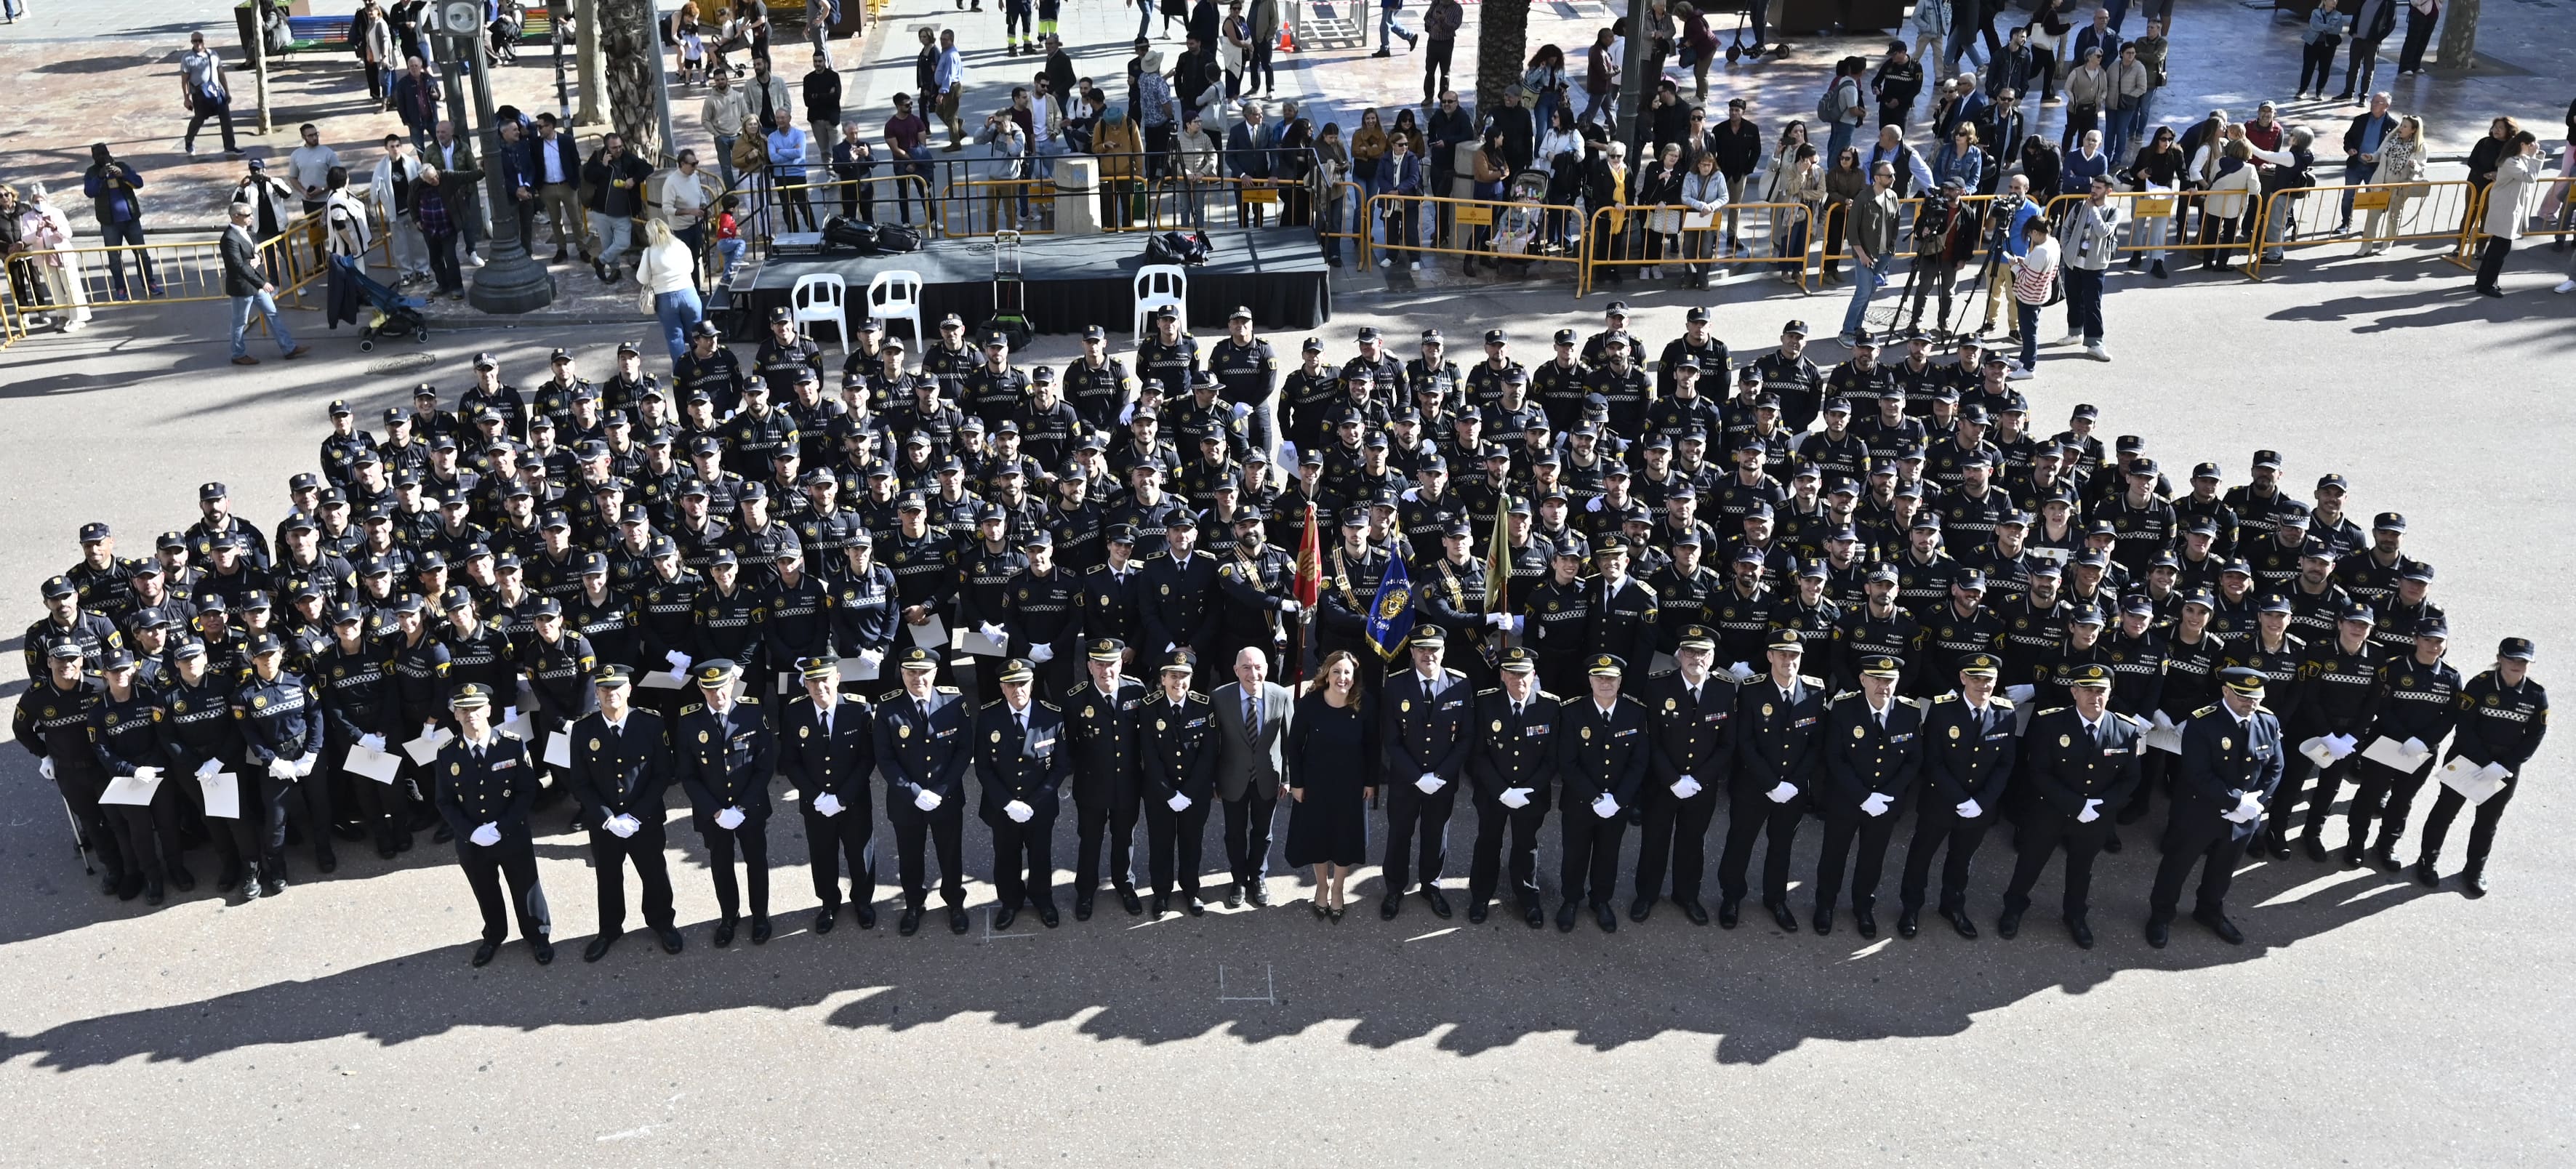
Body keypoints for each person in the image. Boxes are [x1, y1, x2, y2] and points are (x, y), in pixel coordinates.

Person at [1997, 663, 2140, 949]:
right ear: (2074, 691)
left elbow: (2131, 778)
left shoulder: (2126, 729)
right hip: (2050, 811)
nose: (2094, 696)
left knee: (2081, 869)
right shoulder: (2051, 723)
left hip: (2095, 816)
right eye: (2087, 689)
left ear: (2110, 694)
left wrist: (2101, 805)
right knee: (2030, 862)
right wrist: (2076, 805)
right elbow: (2039, 772)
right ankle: (2013, 908)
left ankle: (2075, 915)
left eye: (2100, 690)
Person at [2145, 666, 2283, 947]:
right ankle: (2161, 915)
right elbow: (2197, 773)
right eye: (2243, 696)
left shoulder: (2267, 721)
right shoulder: (2202, 721)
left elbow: (2275, 767)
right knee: (2176, 866)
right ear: (2225, 691)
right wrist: (2236, 802)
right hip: (2200, 812)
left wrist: (2254, 803)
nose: (2251, 703)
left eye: (2256, 697)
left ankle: (2209, 911)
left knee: (2223, 869)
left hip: (2244, 815)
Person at [568, 664, 686, 960]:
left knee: (654, 873)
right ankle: (609, 929)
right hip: (605, 824)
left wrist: (636, 816)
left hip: (644, 819)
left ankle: (663, 922)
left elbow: (663, 774)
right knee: (608, 877)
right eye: (605, 689)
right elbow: (580, 782)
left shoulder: (651, 723)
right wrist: (607, 818)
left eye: (617, 688)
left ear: (629, 690)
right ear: (597, 693)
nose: (611, 693)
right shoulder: (583, 729)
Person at [2412, 638, 2547, 896]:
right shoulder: (2480, 684)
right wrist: (2485, 763)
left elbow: (2535, 736)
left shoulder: (2536, 694)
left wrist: (2505, 765)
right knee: (2444, 812)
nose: (2517, 665)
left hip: (2504, 768)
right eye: (2512, 659)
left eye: (2523, 661)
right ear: (2499, 658)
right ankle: (2427, 860)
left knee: (2487, 822)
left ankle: (2474, 870)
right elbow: (2464, 726)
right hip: (2467, 759)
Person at [435, 682, 555, 966]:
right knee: (485, 889)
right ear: (456, 715)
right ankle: (494, 934)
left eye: (476, 708)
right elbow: (444, 801)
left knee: (526, 887)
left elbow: (527, 791)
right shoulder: (447, 753)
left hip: (511, 834)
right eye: (464, 710)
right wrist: (472, 832)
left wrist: (501, 827)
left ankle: (538, 935)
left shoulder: (512, 744)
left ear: (489, 710)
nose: (471, 715)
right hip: (473, 840)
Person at [1901, 653, 2016, 939]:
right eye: (1976, 678)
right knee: (1921, 856)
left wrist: (1981, 802)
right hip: (1940, 801)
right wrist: (1961, 799)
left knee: (1961, 860)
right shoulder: (1942, 711)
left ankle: (1952, 906)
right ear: (1963, 678)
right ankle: (1911, 908)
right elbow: (1932, 762)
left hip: (1979, 807)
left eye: (1988, 679)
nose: (1982, 684)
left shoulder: (2005, 714)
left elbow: (2005, 765)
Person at [1629, 624, 1731, 925]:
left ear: (1712, 657)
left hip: (1702, 785)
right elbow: (1650, 740)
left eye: (1703, 653)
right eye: (1689, 651)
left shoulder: (1725, 690)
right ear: (1679, 654)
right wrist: (1673, 779)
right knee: (1654, 840)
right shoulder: (1657, 686)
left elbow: (1727, 744)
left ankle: (1687, 895)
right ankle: (1646, 895)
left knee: (1692, 842)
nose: (1695, 658)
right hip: (1663, 783)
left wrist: (1699, 779)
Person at [677, 656, 779, 946]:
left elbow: (764, 766)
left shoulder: (752, 712)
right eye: (710, 689)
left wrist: (742, 807)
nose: (717, 694)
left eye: (722, 687)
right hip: (713, 813)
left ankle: (760, 915)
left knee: (756, 861)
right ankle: (729, 916)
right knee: (721, 865)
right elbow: (688, 775)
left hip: (750, 808)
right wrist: (717, 812)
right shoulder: (689, 721)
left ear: (732, 683)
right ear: (701, 688)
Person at [876, 645, 974, 935]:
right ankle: (913, 904)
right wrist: (914, 792)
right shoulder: (888, 707)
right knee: (910, 856)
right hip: (906, 801)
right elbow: (885, 759)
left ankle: (955, 903)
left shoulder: (954, 702)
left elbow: (964, 750)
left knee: (950, 854)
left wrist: (941, 790)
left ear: (935, 672)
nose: (918, 678)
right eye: (911, 672)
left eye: (924, 672)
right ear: (902, 673)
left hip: (946, 797)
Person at [1552, 651, 1649, 933]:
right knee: (1575, 854)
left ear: (1620, 682)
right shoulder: (1572, 711)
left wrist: (1619, 800)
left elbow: (1639, 762)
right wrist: (1595, 797)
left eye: (1611, 678)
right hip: (1580, 802)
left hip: (1617, 803)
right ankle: (1570, 900)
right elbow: (1567, 763)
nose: (1605, 683)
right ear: (1590, 680)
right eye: (1599, 678)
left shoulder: (1635, 712)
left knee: (1608, 855)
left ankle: (1601, 901)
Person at [975, 657, 1070, 928]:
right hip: (1002, 807)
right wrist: (1008, 804)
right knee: (1006, 856)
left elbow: (1060, 766)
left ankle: (1043, 899)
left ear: (1032, 684)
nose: (1017, 690)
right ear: (1002, 687)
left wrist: (1033, 803)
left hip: (1039, 806)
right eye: (1011, 685)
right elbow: (982, 767)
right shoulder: (989, 717)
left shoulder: (1051, 715)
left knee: (1040, 856)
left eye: (1023, 683)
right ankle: (1010, 901)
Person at [1284, 650, 1377, 920]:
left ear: (1354, 677)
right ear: (1326, 674)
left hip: (1351, 784)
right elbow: (1294, 745)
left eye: (1347, 672)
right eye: (1336, 671)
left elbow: (1373, 746)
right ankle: (1322, 887)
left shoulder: (1365, 703)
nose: (1342, 677)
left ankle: (1338, 889)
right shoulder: (1310, 703)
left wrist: (1371, 782)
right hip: (1315, 783)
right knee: (1318, 837)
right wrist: (1296, 783)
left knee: (1344, 838)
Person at [1065, 635, 1151, 919]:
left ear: (1121, 664)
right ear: (1089, 666)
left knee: (1124, 837)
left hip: (1127, 783)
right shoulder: (1076, 698)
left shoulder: (1136, 691)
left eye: (1111, 664)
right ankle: (1085, 891)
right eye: (1099, 665)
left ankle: (1124, 884)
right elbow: (1069, 747)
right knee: (1090, 839)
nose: (1106, 671)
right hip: (1091, 785)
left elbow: (1146, 738)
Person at [1211, 646, 1292, 908]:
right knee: (1234, 833)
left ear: (1267, 669)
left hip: (1268, 777)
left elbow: (1290, 741)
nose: (1253, 673)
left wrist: (1288, 778)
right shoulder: (1219, 697)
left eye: (1258, 667)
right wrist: (1213, 780)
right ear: (1236, 670)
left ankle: (1258, 877)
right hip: (1232, 778)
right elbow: (1212, 744)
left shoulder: (1281, 696)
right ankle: (1238, 879)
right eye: (1246, 668)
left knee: (1263, 832)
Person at [220, 201, 308, 366]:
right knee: (240, 322)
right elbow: (238, 266)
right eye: (248, 215)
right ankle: (238, 354)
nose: (252, 217)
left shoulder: (245, 232)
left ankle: (289, 348)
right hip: (242, 287)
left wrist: (259, 259)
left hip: (254, 284)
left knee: (273, 314)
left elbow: (253, 254)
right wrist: (262, 283)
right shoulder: (229, 238)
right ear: (236, 217)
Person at [81, 143, 161, 300]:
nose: (102, 157)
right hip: (109, 223)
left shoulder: (122, 166)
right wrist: (100, 177)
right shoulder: (91, 172)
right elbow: (89, 192)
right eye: (98, 154)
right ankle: (121, 288)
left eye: (104, 153)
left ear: (109, 153)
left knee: (142, 254)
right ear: (93, 157)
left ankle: (149, 282)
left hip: (131, 220)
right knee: (114, 258)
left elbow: (139, 183)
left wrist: (123, 175)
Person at [2473, 130, 2543, 298]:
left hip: (2508, 208)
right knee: (2500, 250)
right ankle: (2486, 285)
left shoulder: (2519, 159)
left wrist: (2535, 155)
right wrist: (2534, 156)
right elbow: (2530, 177)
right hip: (2504, 210)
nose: (2534, 147)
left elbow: (2530, 171)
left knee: (2496, 247)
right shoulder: (2511, 162)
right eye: (2532, 144)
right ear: (2523, 144)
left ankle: (2483, 280)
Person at [1837, 161, 1900, 345]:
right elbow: (1852, 231)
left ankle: (1857, 326)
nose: (1893, 178)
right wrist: (1862, 255)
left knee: (1870, 290)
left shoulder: (1893, 197)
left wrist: (1891, 248)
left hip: (1884, 254)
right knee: (1863, 293)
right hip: (1865, 255)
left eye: (1894, 175)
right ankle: (1847, 331)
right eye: (1889, 176)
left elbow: (1896, 223)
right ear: (1877, 178)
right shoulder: (1863, 199)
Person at [2060, 175, 2118, 361]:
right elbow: (2066, 228)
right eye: (2093, 186)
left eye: (2099, 188)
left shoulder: (2113, 212)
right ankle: (2074, 332)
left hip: (2095, 265)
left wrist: (2093, 210)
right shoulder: (2079, 206)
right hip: (2074, 262)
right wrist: (2067, 249)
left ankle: (2095, 343)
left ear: (2109, 191)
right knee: (2073, 299)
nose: (2094, 190)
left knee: (2093, 304)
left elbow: (2102, 232)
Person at [634, 219, 703, 364]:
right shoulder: (680, 245)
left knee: (674, 336)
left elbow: (641, 278)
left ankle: (680, 370)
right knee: (696, 333)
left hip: (665, 299)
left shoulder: (648, 253)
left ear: (650, 234)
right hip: (688, 293)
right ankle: (701, 366)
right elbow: (691, 268)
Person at [2359, 113, 2427, 255]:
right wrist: (2371, 157)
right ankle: (2366, 246)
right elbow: (2379, 154)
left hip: (2399, 188)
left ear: (2413, 130)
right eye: (2401, 125)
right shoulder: (2391, 139)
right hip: (2381, 183)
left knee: (2393, 216)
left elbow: (2421, 168)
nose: (2401, 128)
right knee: (2372, 215)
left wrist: (2415, 166)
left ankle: (2387, 245)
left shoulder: (2419, 147)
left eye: (2405, 127)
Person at [2004, 216, 2055, 378]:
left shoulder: (2041, 251)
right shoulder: (2053, 243)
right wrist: (2024, 262)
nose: (2030, 238)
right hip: (2040, 294)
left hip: (2029, 297)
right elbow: (2046, 271)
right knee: (2029, 329)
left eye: (2030, 234)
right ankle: (2024, 360)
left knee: (2028, 332)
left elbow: (2028, 280)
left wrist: (2015, 267)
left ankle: (2029, 368)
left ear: (2035, 232)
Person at [180, 31, 242, 158]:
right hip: (200, 95)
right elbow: (184, 81)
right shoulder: (187, 58)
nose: (198, 43)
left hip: (217, 92)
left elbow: (221, 74)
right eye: (195, 41)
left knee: (225, 117)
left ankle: (230, 146)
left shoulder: (213, 54)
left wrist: (227, 92)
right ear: (192, 42)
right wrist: (187, 99)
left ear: (204, 41)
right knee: (199, 119)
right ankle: (189, 140)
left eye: (200, 40)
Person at [2298, 0, 2349, 100]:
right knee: (2308, 67)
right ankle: (2302, 90)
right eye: (2332, 0)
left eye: (2336, 0)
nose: (2334, 1)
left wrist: (2321, 27)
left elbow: (2337, 30)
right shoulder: (2315, 12)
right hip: (2312, 43)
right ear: (2325, 1)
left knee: (2325, 69)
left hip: (2328, 46)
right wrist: (2329, 27)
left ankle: (2319, 92)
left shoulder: (2338, 15)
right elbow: (2314, 25)